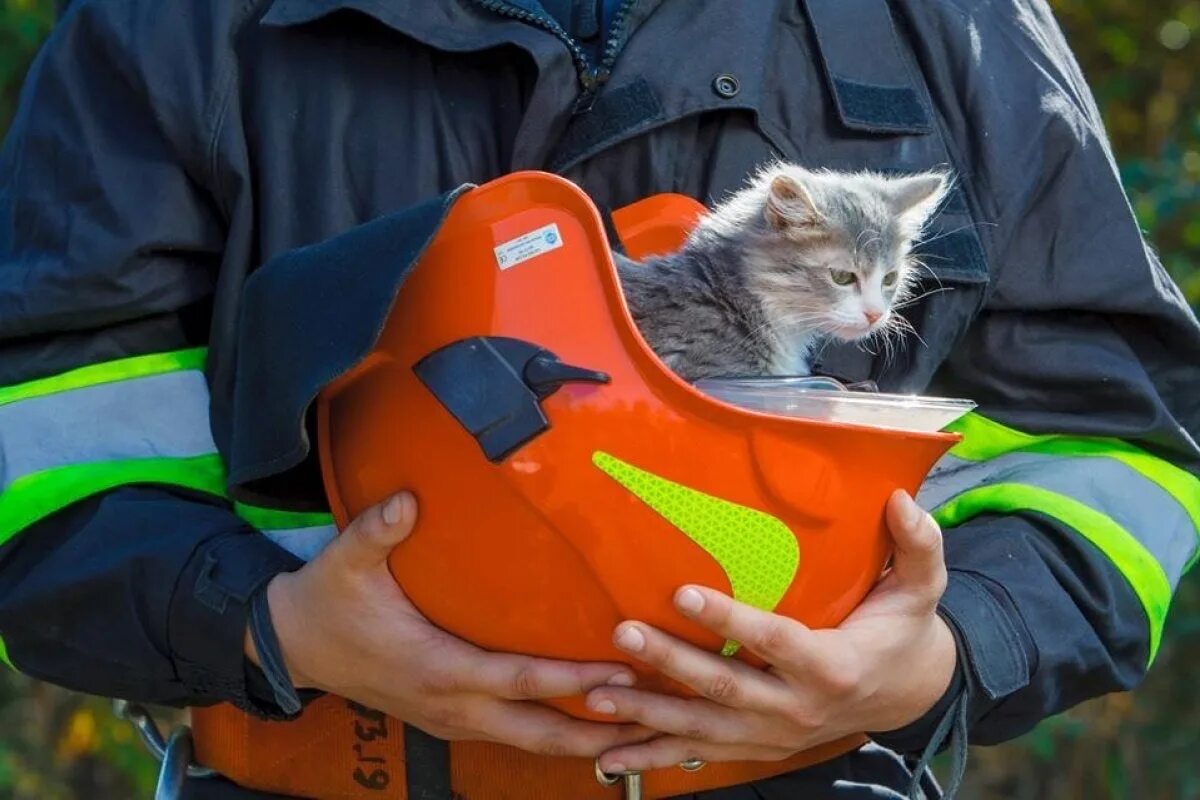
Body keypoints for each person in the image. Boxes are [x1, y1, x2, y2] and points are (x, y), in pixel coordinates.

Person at [0, 1, 1197, 798]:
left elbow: (1119, 441)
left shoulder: (960, 21)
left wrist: (947, 648)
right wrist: (274, 624)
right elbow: (47, 439)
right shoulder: (176, 23)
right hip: (322, 768)